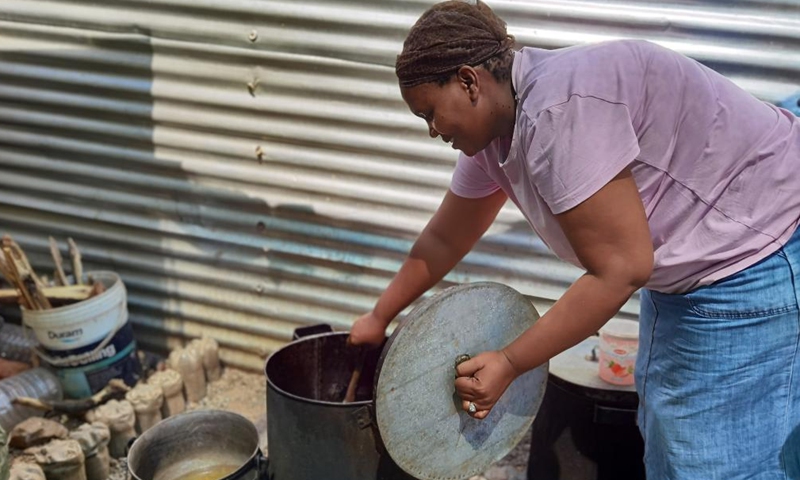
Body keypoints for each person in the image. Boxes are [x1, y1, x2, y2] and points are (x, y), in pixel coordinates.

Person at [347, 1, 800, 478]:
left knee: (715, 462)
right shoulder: (498, 132)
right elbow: (444, 238)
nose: (433, 131)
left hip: (755, 249)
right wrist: (380, 314)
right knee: (672, 439)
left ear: (468, 81)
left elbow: (619, 269)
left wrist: (509, 360)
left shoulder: (559, 115)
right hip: (694, 264)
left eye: (430, 114)